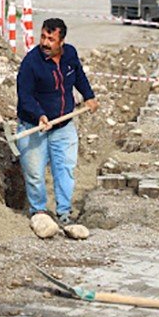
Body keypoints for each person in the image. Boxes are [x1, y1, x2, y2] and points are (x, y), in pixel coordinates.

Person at [16, 18, 98, 227]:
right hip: (34, 127)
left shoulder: (69, 54)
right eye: (43, 36)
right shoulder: (31, 63)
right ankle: (39, 212)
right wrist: (39, 115)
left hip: (63, 125)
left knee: (65, 169)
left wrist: (88, 96)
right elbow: (25, 96)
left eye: (50, 39)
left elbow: (78, 75)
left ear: (61, 41)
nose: (44, 42)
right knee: (34, 173)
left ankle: (63, 212)